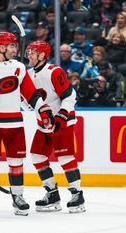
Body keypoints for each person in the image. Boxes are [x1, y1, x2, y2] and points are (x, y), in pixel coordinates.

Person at [0, 32, 54, 217]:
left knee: (16, 162)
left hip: (14, 122)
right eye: (12, 45)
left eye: (15, 45)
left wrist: (42, 108)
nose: (16, 49)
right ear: (1, 47)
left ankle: (18, 197)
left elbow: (31, 93)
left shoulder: (19, 67)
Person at [25, 40, 85, 213]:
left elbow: (69, 95)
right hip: (43, 124)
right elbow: (27, 103)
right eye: (28, 52)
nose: (29, 55)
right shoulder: (27, 75)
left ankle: (78, 195)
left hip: (62, 122)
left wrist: (61, 116)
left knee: (65, 157)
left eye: (33, 52)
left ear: (42, 55)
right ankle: (52, 194)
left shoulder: (54, 71)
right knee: (37, 155)